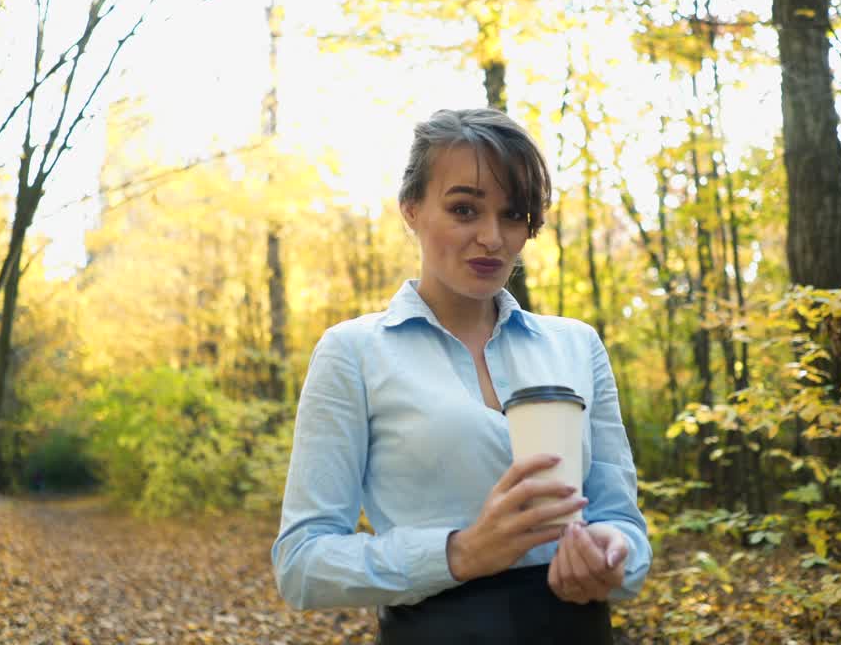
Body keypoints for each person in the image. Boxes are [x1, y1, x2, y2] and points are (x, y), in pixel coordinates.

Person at [271, 108, 651, 644]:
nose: (493, 238)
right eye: (464, 209)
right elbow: (301, 564)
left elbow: (624, 521)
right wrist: (459, 553)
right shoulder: (353, 353)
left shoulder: (577, 345)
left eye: (513, 214)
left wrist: (613, 555)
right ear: (412, 209)